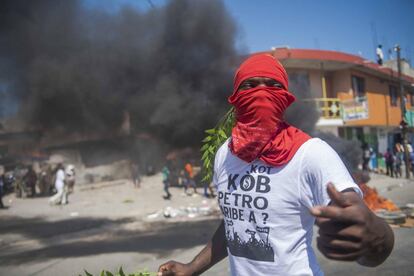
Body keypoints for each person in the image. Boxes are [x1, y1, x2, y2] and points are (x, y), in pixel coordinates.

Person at [158, 54, 394, 276]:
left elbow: (359, 221)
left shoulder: (309, 153)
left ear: (285, 98)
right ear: (235, 98)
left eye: (272, 85)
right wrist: (192, 268)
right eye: (250, 86)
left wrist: (378, 238)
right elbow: (236, 224)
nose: (261, 93)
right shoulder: (224, 155)